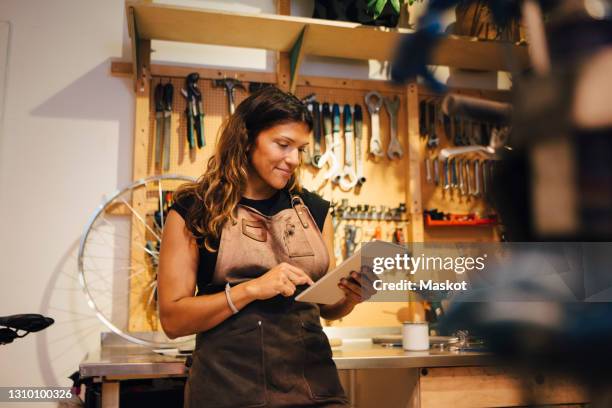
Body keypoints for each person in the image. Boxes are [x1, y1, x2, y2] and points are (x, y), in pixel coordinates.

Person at [158, 86, 376, 408]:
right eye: (283, 145)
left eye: (300, 149)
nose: (294, 160)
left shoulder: (315, 211)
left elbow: (325, 309)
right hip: (228, 392)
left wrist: (350, 297)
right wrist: (252, 289)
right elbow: (173, 320)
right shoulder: (194, 211)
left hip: (314, 391)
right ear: (247, 140)